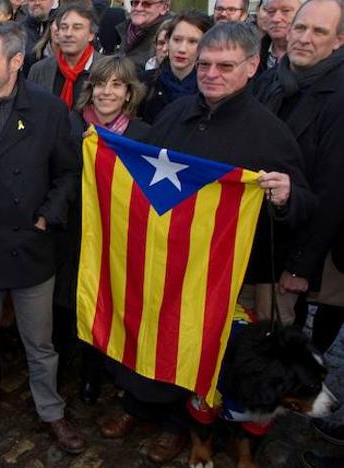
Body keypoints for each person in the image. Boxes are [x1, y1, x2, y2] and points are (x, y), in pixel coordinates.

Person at [102, 22, 314, 463]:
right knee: (154, 338)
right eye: (205, 64)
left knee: (206, 360)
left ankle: (182, 429)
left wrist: (285, 197)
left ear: (253, 66)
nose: (211, 73)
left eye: (225, 66)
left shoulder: (270, 133)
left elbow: (305, 207)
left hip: (228, 277)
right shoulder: (175, 114)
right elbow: (141, 179)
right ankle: (138, 408)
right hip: (170, 264)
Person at [0, 22, 84, 454]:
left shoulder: (48, 110)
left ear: (16, 61)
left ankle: (51, 410)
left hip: (31, 245)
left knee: (39, 342)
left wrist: (47, 217)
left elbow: (67, 173)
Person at [66, 55, 151, 404]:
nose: (106, 92)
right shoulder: (71, 125)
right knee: (77, 300)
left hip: (120, 237)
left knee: (114, 302)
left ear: (129, 93)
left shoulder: (143, 135)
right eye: (100, 84)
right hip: (75, 232)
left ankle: (105, 370)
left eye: (116, 84)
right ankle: (80, 370)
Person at [255, 0, 344, 325]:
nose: (305, 38)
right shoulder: (270, 80)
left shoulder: (339, 96)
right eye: (300, 27)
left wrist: (300, 266)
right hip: (259, 238)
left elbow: (333, 189)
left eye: (319, 31)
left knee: (277, 336)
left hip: (293, 247)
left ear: (338, 41)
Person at [139, 11, 213, 123]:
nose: (182, 49)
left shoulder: (211, 88)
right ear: (168, 41)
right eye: (177, 40)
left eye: (192, 41)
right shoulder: (144, 83)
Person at [27, 3, 100, 108]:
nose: (68, 33)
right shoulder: (39, 70)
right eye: (64, 27)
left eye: (77, 28)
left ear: (91, 35)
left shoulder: (106, 70)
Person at [115, 0, 173, 69]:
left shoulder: (172, 34)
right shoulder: (124, 29)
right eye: (135, 2)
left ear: (164, 8)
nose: (138, 8)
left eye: (147, 4)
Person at [258, 0, 302, 71]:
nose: (276, 19)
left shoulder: (315, 57)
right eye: (271, 11)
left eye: (286, 11)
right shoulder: (252, 53)